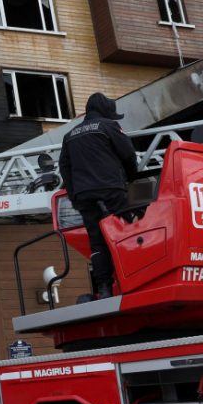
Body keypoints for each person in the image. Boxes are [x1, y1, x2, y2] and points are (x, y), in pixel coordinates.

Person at [58, 93, 138, 300]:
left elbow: (64, 168)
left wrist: (76, 197)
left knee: (97, 242)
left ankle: (104, 288)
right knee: (126, 233)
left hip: (85, 196)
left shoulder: (70, 135)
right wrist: (131, 179)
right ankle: (134, 279)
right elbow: (128, 154)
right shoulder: (108, 126)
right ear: (105, 112)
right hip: (111, 189)